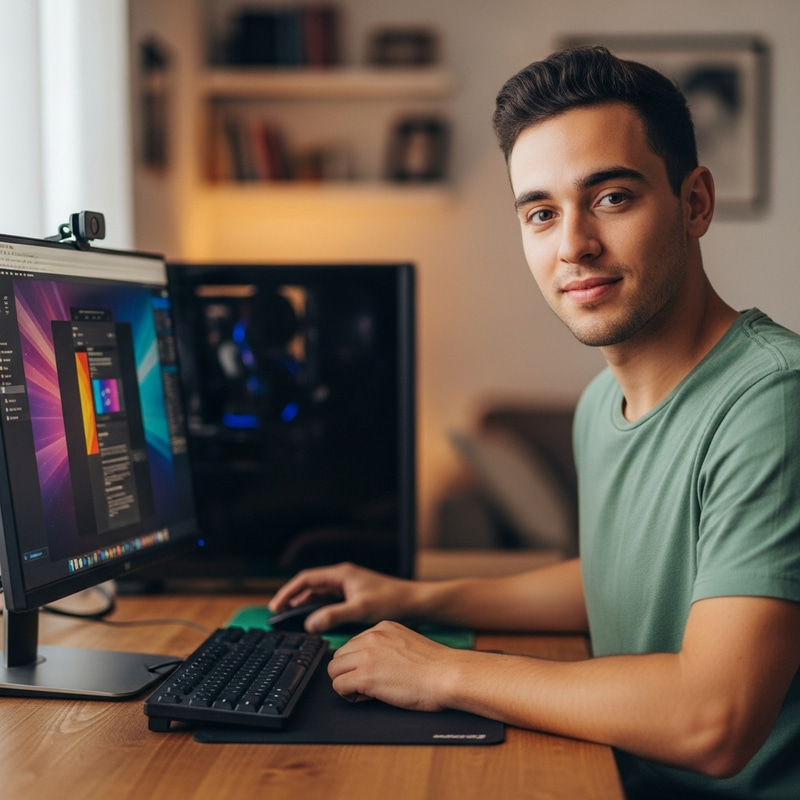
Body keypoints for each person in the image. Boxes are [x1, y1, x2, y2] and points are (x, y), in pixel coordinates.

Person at [270, 46, 800, 799]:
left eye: (612, 197)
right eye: (542, 213)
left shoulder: (773, 400)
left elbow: (713, 720)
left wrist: (446, 671)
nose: (573, 245)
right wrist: (411, 595)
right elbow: (618, 582)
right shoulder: (599, 405)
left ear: (694, 204)